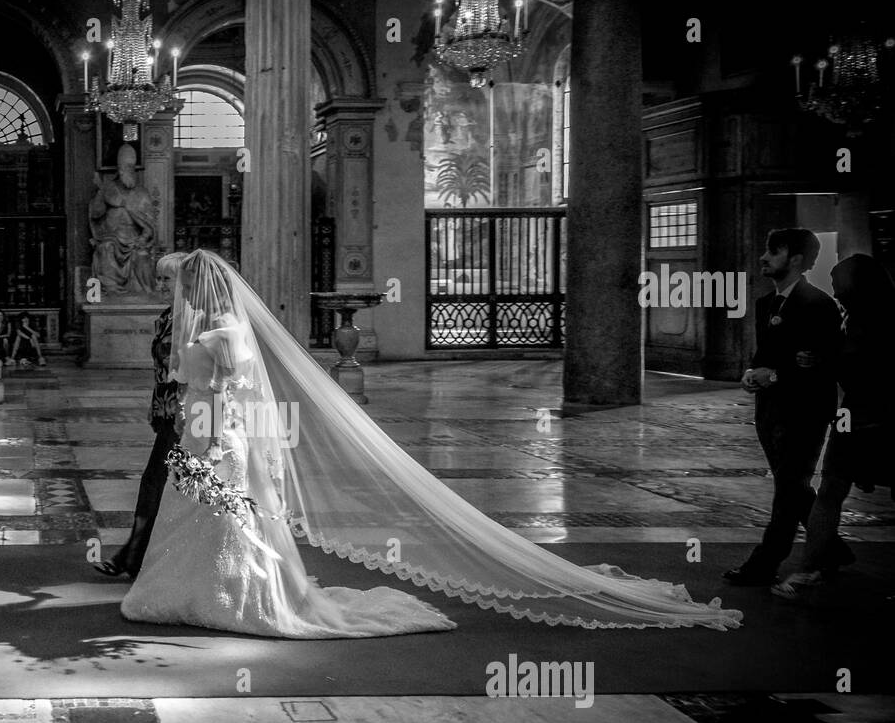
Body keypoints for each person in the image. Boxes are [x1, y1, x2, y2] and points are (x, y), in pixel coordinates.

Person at [119, 250, 741, 638]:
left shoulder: (219, 336)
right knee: (214, 522)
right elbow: (218, 399)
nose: (173, 297)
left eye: (179, 288)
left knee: (224, 523)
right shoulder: (219, 330)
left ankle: (234, 598)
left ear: (196, 290)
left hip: (216, 445)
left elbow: (224, 403)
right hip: (213, 443)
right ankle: (209, 593)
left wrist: (204, 453)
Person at [723, 228, 851, 587]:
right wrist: (752, 373)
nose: (764, 257)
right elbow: (764, 356)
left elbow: (827, 364)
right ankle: (833, 547)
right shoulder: (767, 303)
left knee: (788, 488)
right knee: (792, 485)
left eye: (772, 251)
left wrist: (775, 376)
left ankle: (765, 563)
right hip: (769, 413)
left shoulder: (819, 305)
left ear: (795, 259)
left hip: (804, 412)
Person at [773, 254, 895, 600]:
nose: (836, 291)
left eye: (840, 284)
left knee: (831, 492)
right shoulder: (851, 319)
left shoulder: (882, 321)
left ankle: (811, 568)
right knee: (829, 491)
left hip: (885, 419)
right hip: (854, 417)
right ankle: (810, 568)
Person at [95, 251, 189, 578]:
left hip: (185, 414)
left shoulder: (194, 321)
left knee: (157, 483)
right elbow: (160, 371)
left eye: (167, 279)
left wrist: (183, 410)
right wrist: (156, 409)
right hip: (165, 411)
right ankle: (138, 557)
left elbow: (195, 374)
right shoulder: (167, 317)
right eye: (160, 278)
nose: (160, 284)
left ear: (184, 283)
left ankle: (132, 558)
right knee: (161, 484)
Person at [88, 143, 157, 295]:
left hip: (134, 239)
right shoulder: (108, 189)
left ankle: (144, 294)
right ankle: (110, 292)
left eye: (130, 168)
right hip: (112, 237)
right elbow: (96, 215)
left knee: (142, 256)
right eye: (124, 168)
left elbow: (149, 225)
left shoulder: (142, 193)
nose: (127, 172)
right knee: (105, 249)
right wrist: (102, 195)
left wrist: (143, 239)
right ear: (118, 170)